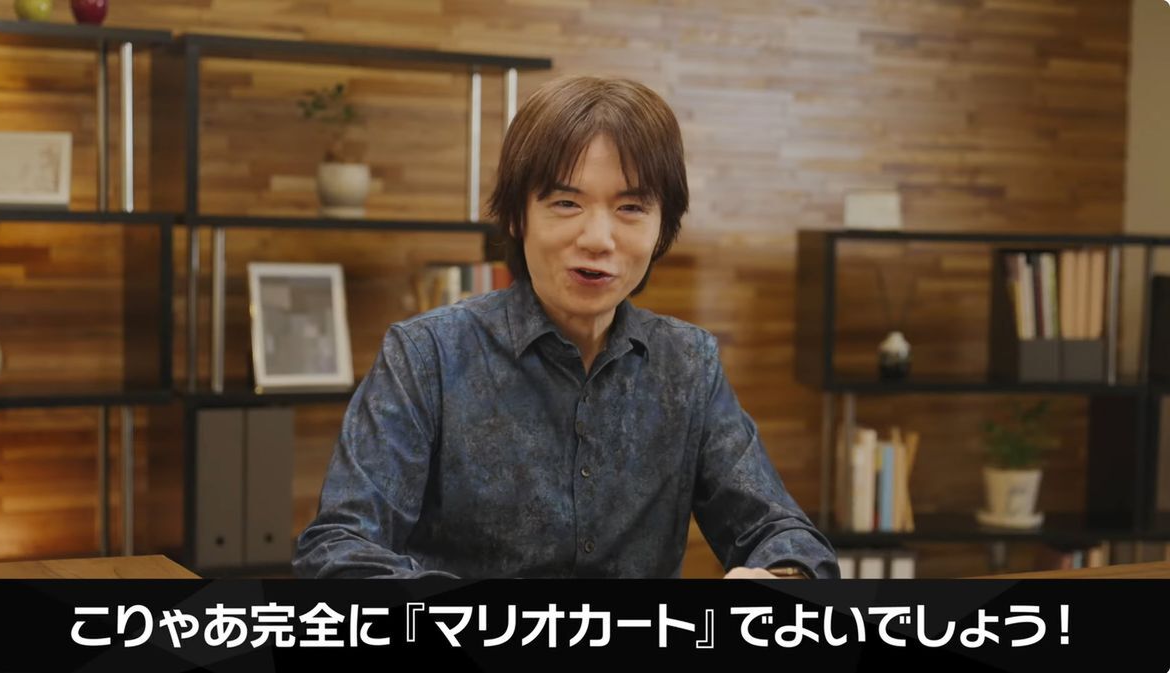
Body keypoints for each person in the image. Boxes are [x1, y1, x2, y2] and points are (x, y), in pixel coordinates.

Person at [292, 75, 839, 579]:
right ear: (517, 216)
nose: (598, 239)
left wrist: (782, 575)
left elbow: (782, 533)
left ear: (662, 227)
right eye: (566, 202)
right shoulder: (427, 356)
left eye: (631, 207)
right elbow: (338, 548)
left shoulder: (688, 365)